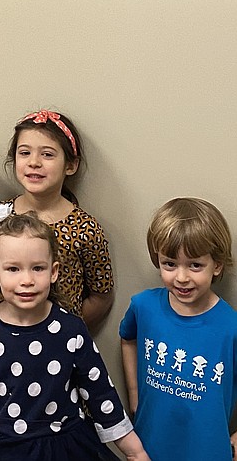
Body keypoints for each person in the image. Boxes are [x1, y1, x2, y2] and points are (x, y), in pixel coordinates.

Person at [0, 210, 150, 461]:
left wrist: (135, 452)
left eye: (37, 268)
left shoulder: (70, 330)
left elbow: (101, 394)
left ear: (54, 271)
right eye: (13, 269)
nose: (27, 280)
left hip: (63, 446)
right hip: (2, 446)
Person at [120, 197, 237, 460]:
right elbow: (127, 338)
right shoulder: (143, 306)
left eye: (195, 265)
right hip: (150, 443)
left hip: (207, 449)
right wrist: (134, 395)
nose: (182, 277)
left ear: (216, 265)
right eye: (170, 264)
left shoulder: (231, 327)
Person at [0, 110, 114, 332]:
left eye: (47, 154)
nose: (34, 162)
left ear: (70, 165)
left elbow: (101, 296)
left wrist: (66, 332)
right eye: (24, 153)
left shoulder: (86, 228)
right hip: (5, 339)